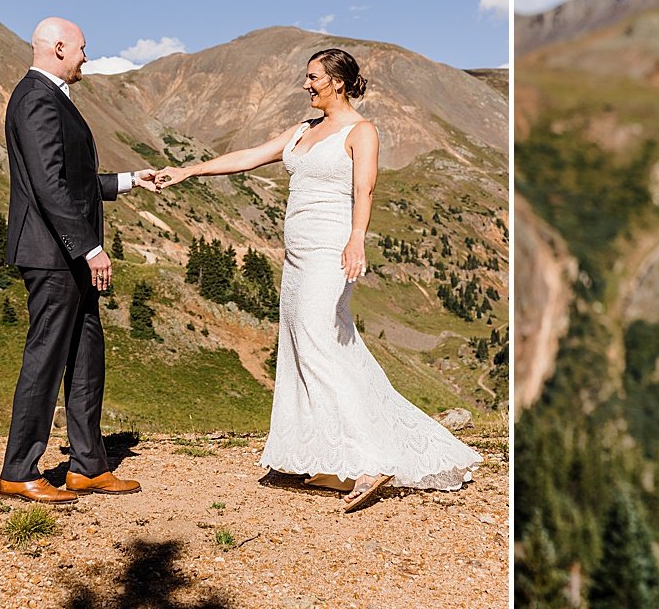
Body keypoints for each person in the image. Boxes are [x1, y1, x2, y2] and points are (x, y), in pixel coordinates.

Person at [154, 48, 480, 512]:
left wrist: (357, 239)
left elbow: (365, 188)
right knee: (301, 342)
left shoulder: (361, 131)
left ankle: (371, 459)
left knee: (319, 340)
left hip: (331, 249)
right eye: (306, 78)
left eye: (313, 78)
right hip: (298, 255)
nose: (306, 85)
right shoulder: (303, 130)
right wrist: (188, 170)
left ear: (338, 82)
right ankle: (309, 450)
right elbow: (249, 157)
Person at [0, 18, 159, 505]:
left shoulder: (51, 98)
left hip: (64, 254)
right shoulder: (35, 99)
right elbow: (49, 186)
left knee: (87, 355)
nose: (88, 57)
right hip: (52, 255)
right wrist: (89, 248)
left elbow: (77, 179)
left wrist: (133, 180)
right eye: (84, 49)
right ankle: (18, 470)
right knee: (45, 359)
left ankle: (88, 467)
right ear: (60, 48)